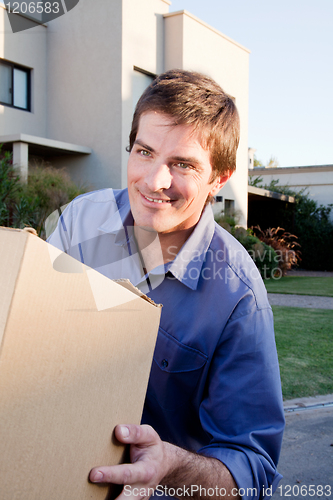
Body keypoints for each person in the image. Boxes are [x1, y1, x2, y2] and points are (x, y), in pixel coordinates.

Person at [48, 69, 285, 500]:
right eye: (144, 151)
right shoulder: (78, 222)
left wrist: (172, 468)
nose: (155, 182)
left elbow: (253, 469)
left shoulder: (239, 298)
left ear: (219, 177)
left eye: (183, 164)